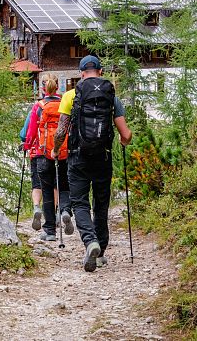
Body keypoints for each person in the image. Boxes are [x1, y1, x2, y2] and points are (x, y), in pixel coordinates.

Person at [53, 55, 132, 272]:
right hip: (103, 157)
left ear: (81, 73)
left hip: (78, 156)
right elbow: (125, 134)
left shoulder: (71, 95)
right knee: (101, 203)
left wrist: (56, 148)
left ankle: (90, 242)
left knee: (79, 203)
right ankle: (101, 251)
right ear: (101, 71)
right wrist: (125, 141)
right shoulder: (111, 96)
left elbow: (61, 130)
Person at [25, 74, 73, 241]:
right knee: (64, 186)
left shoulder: (38, 106)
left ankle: (50, 231)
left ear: (43, 88)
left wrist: (27, 146)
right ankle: (65, 211)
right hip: (63, 153)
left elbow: (30, 132)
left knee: (46, 190)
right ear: (58, 87)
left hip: (44, 154)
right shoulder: (64, 104)